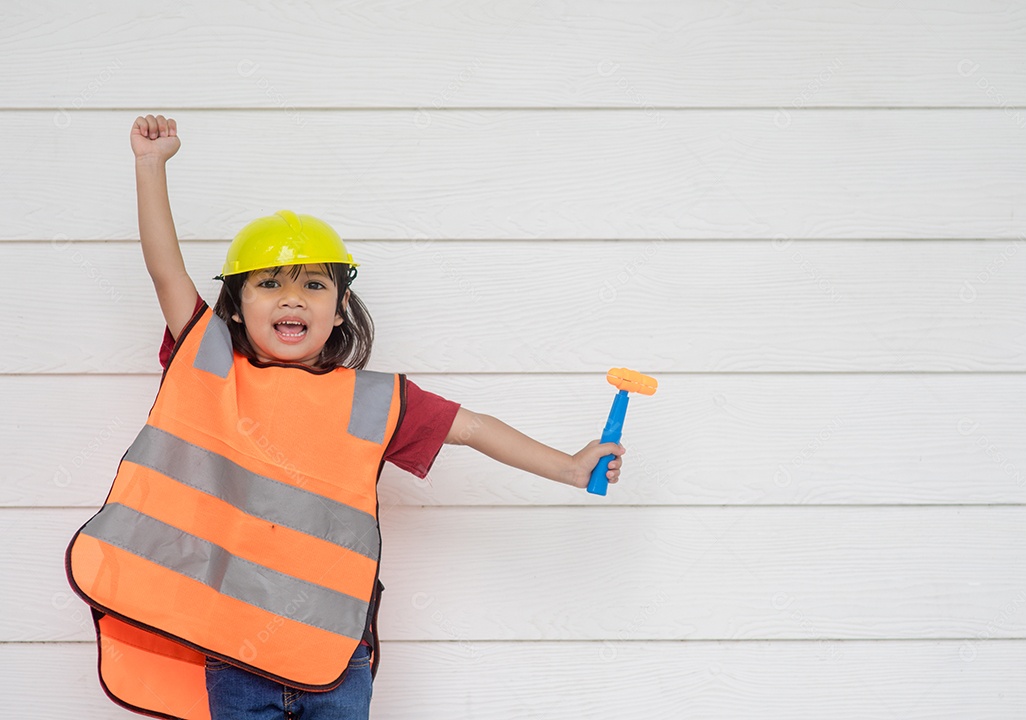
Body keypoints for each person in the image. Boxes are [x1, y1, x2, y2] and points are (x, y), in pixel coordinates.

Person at [66, 114, 626, 720]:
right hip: (233, 652)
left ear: (339, 312)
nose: (292, 297)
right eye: (269, 283)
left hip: (337, 655)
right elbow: (166, 271)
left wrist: (570, 467)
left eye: (313, 285)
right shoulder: (209, 365)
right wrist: (151, 168)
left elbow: (475, 427)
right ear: (234, 307)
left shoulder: (376, 401)